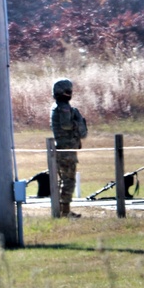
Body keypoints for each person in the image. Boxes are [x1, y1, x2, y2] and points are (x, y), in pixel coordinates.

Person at [50, 78, 88, 218]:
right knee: (68, 180)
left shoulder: (59, 106)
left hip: (63, 148)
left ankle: (63, 209)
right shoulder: (64, 107)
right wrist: (78, 123)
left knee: (65, 180)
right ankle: (64, 211)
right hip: (66, 149)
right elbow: (66, 125)